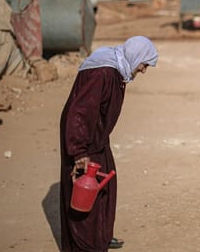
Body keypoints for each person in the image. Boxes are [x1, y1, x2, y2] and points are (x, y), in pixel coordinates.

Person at [59, 36, 158, 251]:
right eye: (144, 64)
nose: (143, 70)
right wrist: (79, 152)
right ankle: (85, 245)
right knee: (85, 191)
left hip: (96, 138)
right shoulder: (103, 71)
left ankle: (100, 237)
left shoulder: (116, 69)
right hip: (84, 139)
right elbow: (81, 111)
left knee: (106, 184)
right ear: (136, 56)